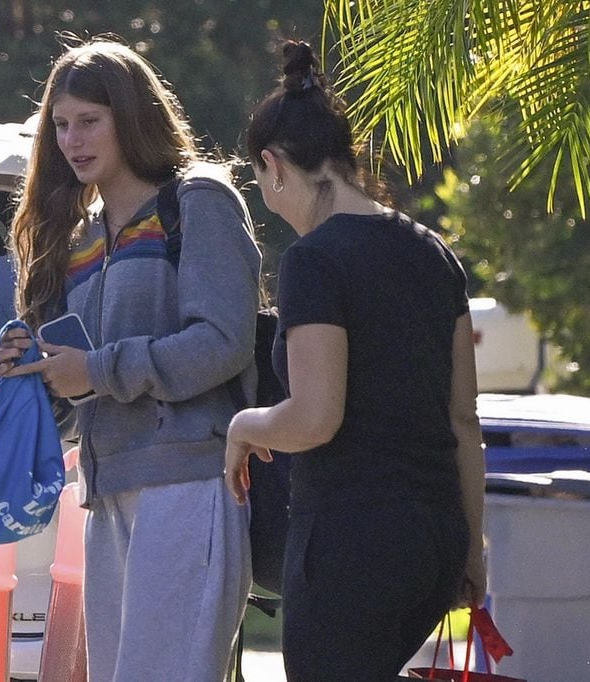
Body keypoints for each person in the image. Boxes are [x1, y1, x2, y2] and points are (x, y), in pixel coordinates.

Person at [0, 36, 261, 681]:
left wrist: (96, 370)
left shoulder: (197, 200)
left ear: (133, 116)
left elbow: (224, 342)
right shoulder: (76, 237)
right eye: (61, 125)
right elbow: (76, 393)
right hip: (106, 489)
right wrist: (36, 368)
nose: (72, 140)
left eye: (90, 120)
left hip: (189, 480)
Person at [224, 41, 487, 681]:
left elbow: (316, 418)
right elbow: (463, 421)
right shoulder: (434, 252)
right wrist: (473, 548)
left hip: (351, 541)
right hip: (435, 540)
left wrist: (245, 426)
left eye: (260, 182)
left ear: (272, 165)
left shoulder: (314, 260)